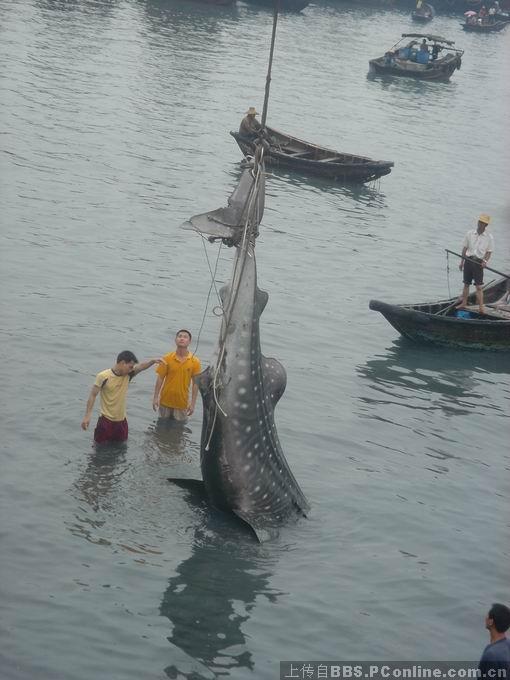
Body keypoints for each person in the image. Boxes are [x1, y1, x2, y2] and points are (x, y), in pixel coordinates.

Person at [81, 351, 164, 444]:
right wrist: (87, 416)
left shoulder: (128, 375)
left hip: (121, 422)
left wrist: (152, 361)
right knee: (100, 449)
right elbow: (93, 395)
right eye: (130, 367)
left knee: (121, 449)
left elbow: (141, 367)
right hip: (105, 422)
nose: (131, 370)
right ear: (122, 363)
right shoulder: (103, 376)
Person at [153, 330, 201, 422]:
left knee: (178, 432)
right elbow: (160, 378)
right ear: (175, 340)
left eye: (185, 337)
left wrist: (193, 404)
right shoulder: (167, 358)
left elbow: (196, 383)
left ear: (189, 341)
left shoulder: (195, 361)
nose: (182, 338)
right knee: (161, 429)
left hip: (182, 404)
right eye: (179, 336)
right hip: (165, 402)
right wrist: (155, 397)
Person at [457, 214, 494, 314]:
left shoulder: (489, 237)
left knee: (478, 286)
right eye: (480, 222)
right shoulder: (470, 234)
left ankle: (481, 307)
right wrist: (462, 262)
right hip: (469, 260)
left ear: (486, 225)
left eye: (483, 223)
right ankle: (464, 303)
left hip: (478, 263)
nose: (480, 224)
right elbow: (465, 248)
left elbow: (489, 252)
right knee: (466, 284)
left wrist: (485, 262)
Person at [479, 603, 510, 678]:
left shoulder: (491, 655)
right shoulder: (508, 644)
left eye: (487, 615)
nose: (485, 617)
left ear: (491, 622)